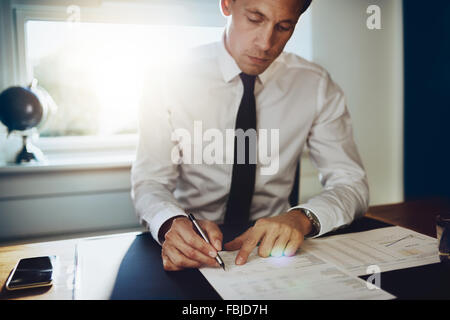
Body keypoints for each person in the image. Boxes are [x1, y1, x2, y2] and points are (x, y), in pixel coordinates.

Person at [131, 0, 369, 271]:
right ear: (227, 4)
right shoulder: (168, 78)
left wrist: (302, 219)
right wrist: (170, 221)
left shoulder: (314, 85)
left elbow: (350, 182)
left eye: (284, 26)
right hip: (195, 243)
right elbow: (151, 181)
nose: (267, 43)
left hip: (274, 250)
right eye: (255, 19)